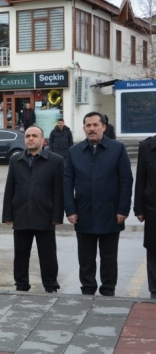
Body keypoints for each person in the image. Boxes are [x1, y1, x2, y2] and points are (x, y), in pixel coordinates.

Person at [64, 112, 133, 296]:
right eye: (88, 125)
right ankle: (87, 289)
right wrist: (70, 210)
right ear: (84, 128)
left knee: (109, 257)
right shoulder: (74, 152)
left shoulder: (117, 149)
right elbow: (67, 182)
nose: (92, 129)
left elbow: (126, 181)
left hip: (111, 213)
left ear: (103, 126)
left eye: (95, 125)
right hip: (83, 212)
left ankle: (108, 289)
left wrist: (123, 209)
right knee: (85, 257)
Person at [3, 126, 64, 293]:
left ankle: (50, 284)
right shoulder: (16, 160)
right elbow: (10, 188)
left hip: (45, 215)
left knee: (48, 255)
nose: (30, 138)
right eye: (28, 136)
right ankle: (21, 284)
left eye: (34, 136)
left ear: (42, 140)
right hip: (21, 214)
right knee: (21, 254)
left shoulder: (55, 160)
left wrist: (57, 215)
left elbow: (59, 191)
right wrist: (8, 214)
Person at [135, 134, 156, 299]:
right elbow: (141, 179)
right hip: (153, 207)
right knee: (153, 249)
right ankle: (154, 291)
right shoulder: (147, 147)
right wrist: (139, 208)